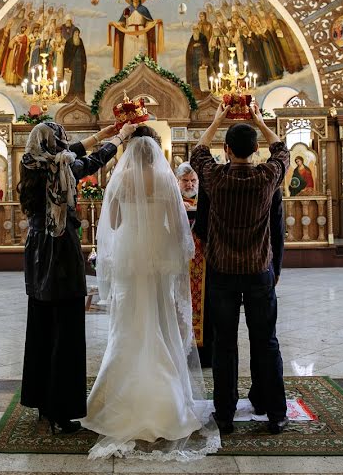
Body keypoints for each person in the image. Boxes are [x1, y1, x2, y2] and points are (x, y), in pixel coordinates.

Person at [82, 128, 219, 460]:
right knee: (159, 318)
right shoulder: (165, 179)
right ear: (156, 151)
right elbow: (177, 224)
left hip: (130, 257)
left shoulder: (120, 177)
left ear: (129, 149)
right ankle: (165, 399)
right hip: (158, 258)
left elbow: (112, 223)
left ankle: (120, 396)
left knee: (129, 324)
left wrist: (133, 218)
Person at [18, 121, 136, 434]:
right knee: (66, 332)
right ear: (56, 144)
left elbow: (69, 154)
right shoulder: (60, 171)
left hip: (36, 251)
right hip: (59, 251)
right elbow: (87, 162)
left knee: (42, 328)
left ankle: (42, 400)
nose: (65, 146)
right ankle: (62, 409)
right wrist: (119, 139)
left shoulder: (30, 162)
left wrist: (103, 134)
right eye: (62, 141)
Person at [190, 101, 290, 436]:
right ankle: (276, 413)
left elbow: (198, 151)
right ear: (256, 149)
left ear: (227, 149)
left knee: (224, 344)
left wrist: (217, 119)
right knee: (266, 342)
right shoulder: (267, 178)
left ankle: (225, 415)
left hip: (222, 274)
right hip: (260, 270)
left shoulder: (215, 178)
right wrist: (261, 121)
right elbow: (282, 150)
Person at [175, 162, 211, 367]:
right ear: (177, 182)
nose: (189, 184)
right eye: (185, 181)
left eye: (193, 180)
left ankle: (201, 354)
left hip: (203, 262)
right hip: (179, 262)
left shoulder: (205, 200)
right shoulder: (171, 200)